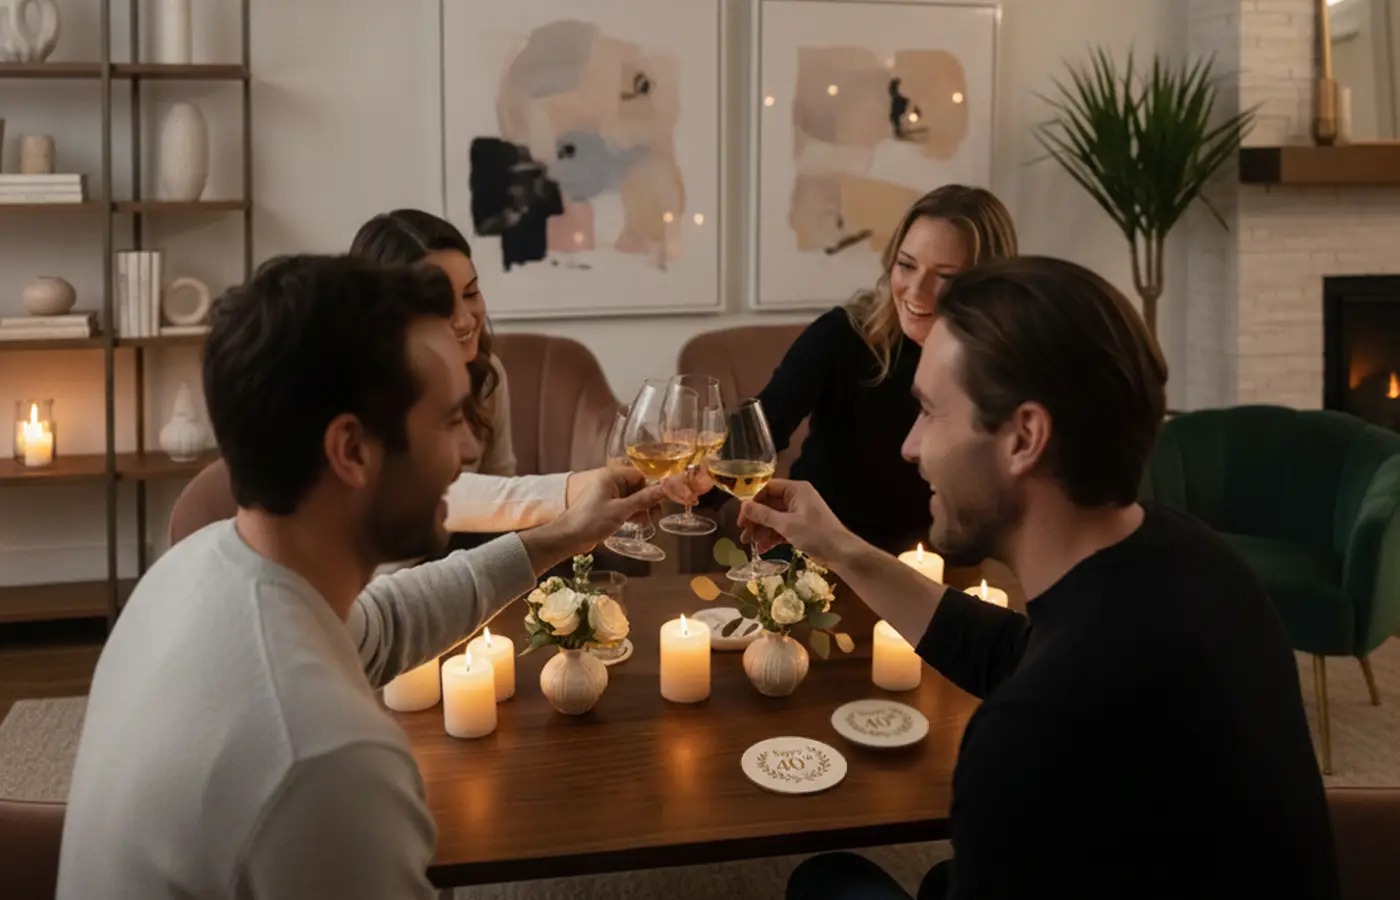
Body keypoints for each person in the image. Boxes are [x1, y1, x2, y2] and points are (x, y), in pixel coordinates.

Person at [56, 255, 665, 900]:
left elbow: (387, 622)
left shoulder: (197, 567)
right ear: (351, 451)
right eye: (450, 420)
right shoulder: (326, 759)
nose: (466, 452)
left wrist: (560, 535)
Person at [741, 257, 1339, 900]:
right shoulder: (1191, 558)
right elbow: (1011, 650)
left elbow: (1046, 688)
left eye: (931, 413)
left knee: (827, 882)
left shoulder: (1030, 735)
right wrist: (838, 548)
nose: (911, 446)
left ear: (1025, 437)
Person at [706, 185, 1017, 555]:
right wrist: (696, 479)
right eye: (906, 265)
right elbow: (760, 430)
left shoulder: (1007, 366)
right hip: (819, 562)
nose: (916, 290)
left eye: (945, 276)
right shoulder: (843, 334)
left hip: (943, 570)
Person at [349, 208, 696, 536]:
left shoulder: (485, 375)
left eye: (471, 293)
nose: (466, 319)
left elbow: (499, 498)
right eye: (439, 305)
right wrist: (581, 487)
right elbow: (439, 494)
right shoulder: (358, 397)